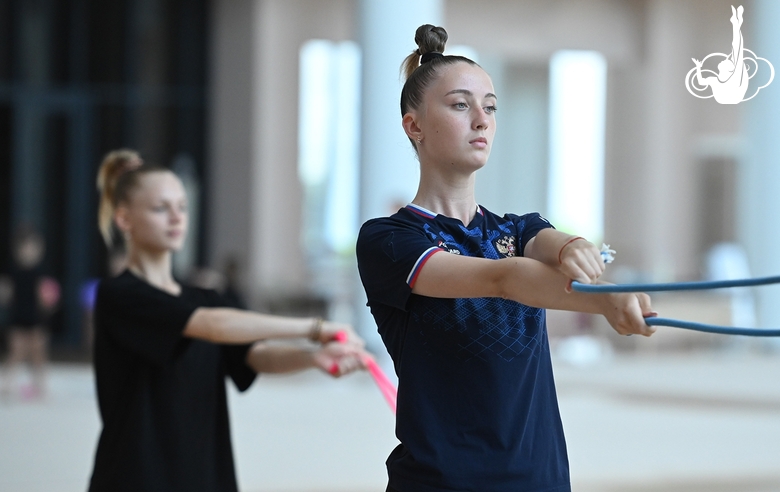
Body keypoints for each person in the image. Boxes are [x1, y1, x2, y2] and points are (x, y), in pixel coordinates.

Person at [355, 24, 656, 492]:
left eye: (490, 107)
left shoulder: (517, 228)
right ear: (414, 126)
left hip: (540, 479)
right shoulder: (389, 240)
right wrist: (604, 303)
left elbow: (548, 244)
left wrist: (574, 248)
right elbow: (505, 278)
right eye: (460, 105)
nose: (481, 119)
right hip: (441, 482)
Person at [88, 150, 370, 492]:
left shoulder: (206, 297)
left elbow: (255, 354)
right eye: (160, 208)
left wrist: (311, 357)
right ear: (124, 219)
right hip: (135, 477)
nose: (176, 218)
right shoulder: (121, 296)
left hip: (206, 476)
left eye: (182, 207)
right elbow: (211, 325)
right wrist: (314, 329)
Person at [0, 225, 59, 401]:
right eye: (25, 248)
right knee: (16, 352)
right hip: (18, 318)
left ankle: (40, 384)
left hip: (36, 319)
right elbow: (6, 293)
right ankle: (7, 382)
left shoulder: (43, 272)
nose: (29, 252)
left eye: (33, 248)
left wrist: (50, 303)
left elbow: (49, 298)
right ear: (17, 250)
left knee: (38, 352)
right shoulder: (12, 272)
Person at [692, 5, 748, 104]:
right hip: (729, 98)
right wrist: (698, 67)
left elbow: (737, 49)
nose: (725, 59)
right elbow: (701, 82)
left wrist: (736, 26)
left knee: (736, 50)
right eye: (728, 60)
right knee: (736, 50)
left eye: (727, 61)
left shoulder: (734, 78)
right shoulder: (715, 80)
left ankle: (736, 23)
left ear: (729, 69)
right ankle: (736, 23)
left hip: (732, 97)